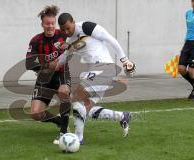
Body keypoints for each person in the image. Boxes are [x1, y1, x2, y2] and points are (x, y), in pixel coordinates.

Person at [57, 13, 136, 144]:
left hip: (104, 67)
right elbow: (63, 58)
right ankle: (122, 116)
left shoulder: (86, 27)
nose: (66, 32)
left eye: (68, 28)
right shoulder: (70, 42)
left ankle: (78, 139)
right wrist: (49, 66)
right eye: (63, 30)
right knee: (84, 110)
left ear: (73, 22)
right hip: (99, 72)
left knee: (76, 98)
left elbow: (110, 39)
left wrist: (125, 60)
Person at [25, 5, 71, 144]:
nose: (50, 26)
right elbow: (29, 64)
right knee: (35, 113)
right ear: (42, 24)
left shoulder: (63, 35)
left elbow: (77, 44)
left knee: (64, 92)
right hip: (44, 78)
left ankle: (64, 132)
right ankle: (58, 121)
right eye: (47, 23)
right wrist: (46, 65)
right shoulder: (36, 40)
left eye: (52, 23)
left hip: (61, 74)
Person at [178, 0, 194, 100]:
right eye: (193, 1)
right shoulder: (188, 13)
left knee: (192, 70)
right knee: (181, 68)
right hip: (187, 43)